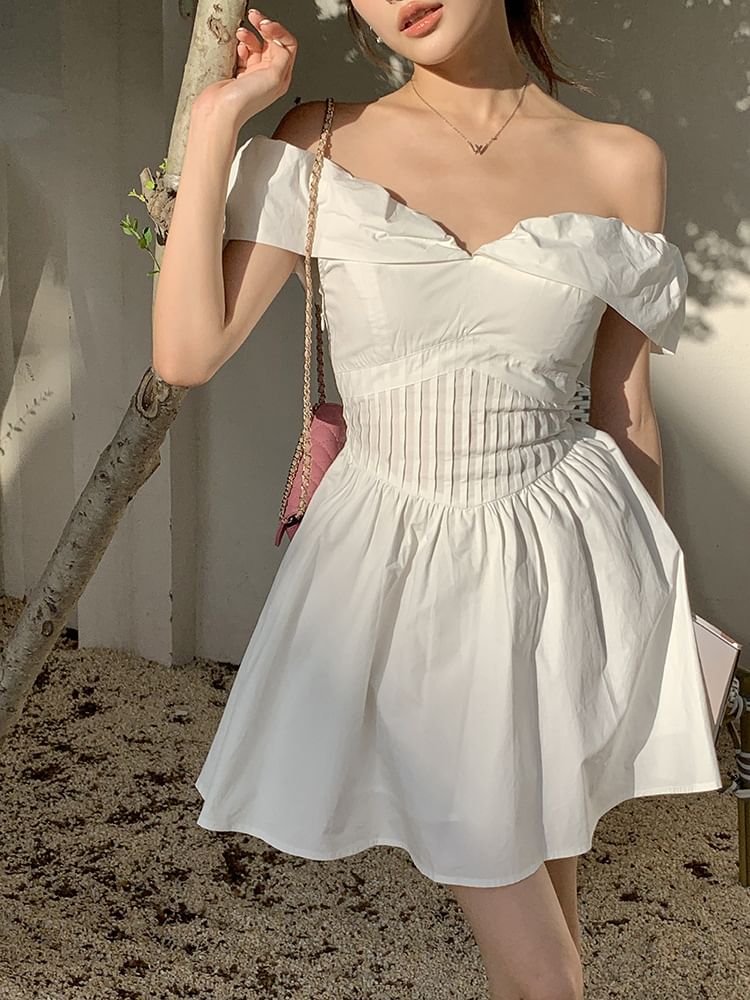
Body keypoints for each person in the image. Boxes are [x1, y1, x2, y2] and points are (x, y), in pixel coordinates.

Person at [152, 3, 724, 998]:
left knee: (554, 928)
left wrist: (646, 614)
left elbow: (626, 407)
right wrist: (216, 122)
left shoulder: (622, 162)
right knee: (548, 974)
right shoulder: (321, 139)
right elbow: (186, 351)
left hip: (560, 570)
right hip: (397, 576)